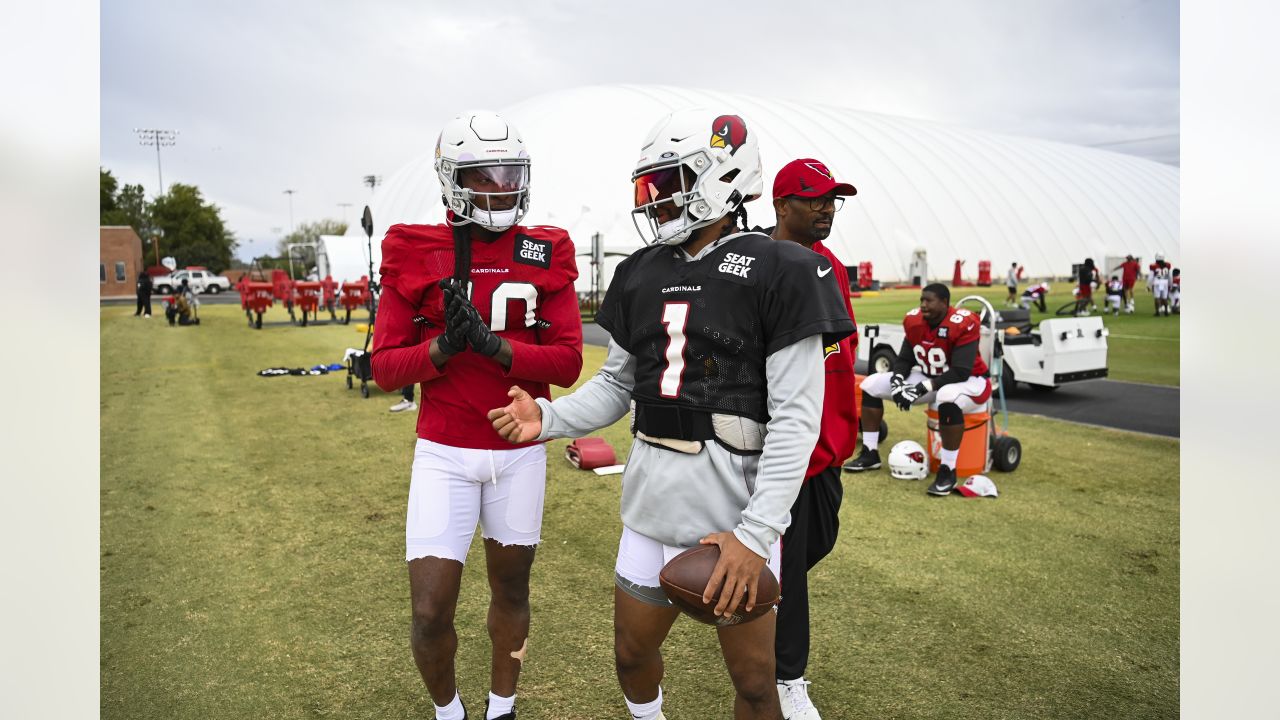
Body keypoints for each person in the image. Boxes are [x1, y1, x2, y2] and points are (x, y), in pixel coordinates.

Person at [487, 109, 854, 720]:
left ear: (723, 176)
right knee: (630, 655)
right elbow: (616, 385)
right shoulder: (640, 270)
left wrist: (756, 535)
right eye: (650, 187)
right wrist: (546, 420)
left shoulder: (784, 267)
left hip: (733, 505)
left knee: (757, 683)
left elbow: (795, 420)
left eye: (670, 182)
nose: (657, 200)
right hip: (652, 498)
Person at [369, 110, 584, 720]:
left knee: (511, 589)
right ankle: (449, 712)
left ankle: (501, 707)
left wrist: (497, 348)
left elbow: (568, 361)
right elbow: (385, 366)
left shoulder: (546, 247)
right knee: (430, 611)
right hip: (444, 452)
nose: (500, 185)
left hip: (518, 455)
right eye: (483, 174)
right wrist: (443, 348)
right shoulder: (415, 248)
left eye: (509, 171)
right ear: (451, 179)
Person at [766, 158, 859, 720]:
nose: (827, 208)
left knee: (813, 547)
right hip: (788, 447)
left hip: (831, 445)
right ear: (782, 204)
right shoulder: (762, 264)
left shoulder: (833, 267)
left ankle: (755, 602)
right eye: (816, 198)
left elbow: (837, 352)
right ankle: (787, 678)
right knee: (790, 564)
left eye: (833, 199)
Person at [844, 283, 991, 497]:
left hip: (971, 381)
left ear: (944, 303)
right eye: (921, 300)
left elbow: (960, 370)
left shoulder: (963, 323)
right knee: (872, 384)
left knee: (946, 396)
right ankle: (870, 452)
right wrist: (897, 381)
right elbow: (904, 359)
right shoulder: (914, 322)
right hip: (931, 377)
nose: (923, 305)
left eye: (929, 300)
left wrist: (923, 387)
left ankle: (948, 469)